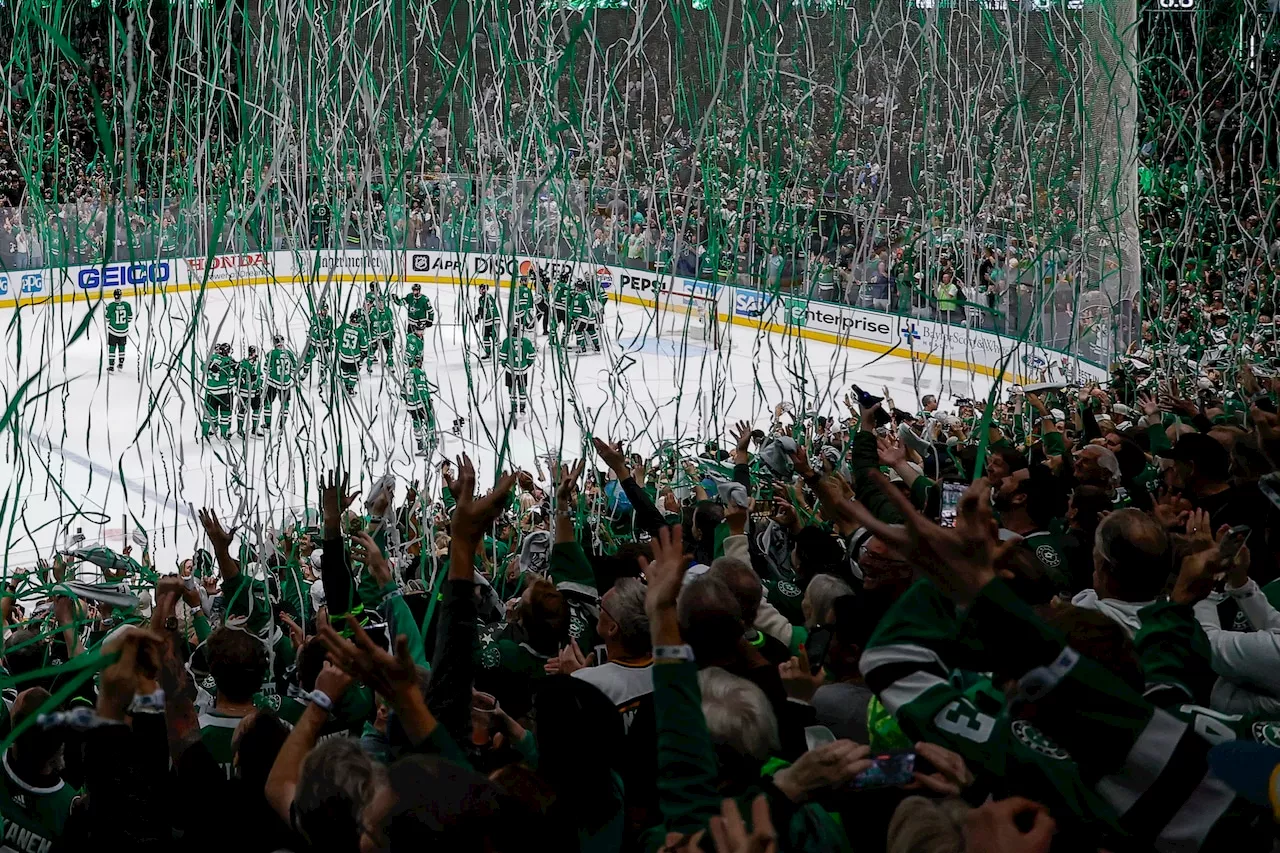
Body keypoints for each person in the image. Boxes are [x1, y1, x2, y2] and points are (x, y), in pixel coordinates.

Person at [401, 351, 436, 456]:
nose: (421, 363)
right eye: (419, 362)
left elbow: (403, 393)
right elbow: (422, 388)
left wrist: (407, 402)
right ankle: (431, 441)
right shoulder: (419, 372)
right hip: (421, 402)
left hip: (410, 404)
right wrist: (427, 399)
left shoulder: (406, 374)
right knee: (430, 418)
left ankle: (420, 442)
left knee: (416, 421)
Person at [202, 342, 236, 439]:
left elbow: (203, 367)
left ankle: (207, 434)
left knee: (211, 414)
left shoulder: (213, 358)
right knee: (223, 414)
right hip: (223, 392)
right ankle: (223, 434)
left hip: (212, 391)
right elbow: (204, 367)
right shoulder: (228, 360)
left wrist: (237, 369)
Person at [264, 335, 298, 431]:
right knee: (285, 404)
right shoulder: (289, 353)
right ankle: (282, 424)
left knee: (267, 402)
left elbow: (266, 369)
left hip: (273, 382)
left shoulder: (272, 353)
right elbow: (294, 368)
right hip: (286, 383)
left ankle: (267, 424)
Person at [498, 332, 535, 415]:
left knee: (511, 388)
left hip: (511, 369)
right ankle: (522, 407)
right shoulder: (526, 341)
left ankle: (514, 407)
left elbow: (502, 355)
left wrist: (504, 364)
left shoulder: (507, 341)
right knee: (522, 388)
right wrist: (528, 363)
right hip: (523, 369)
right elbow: (532, 354)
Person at [335, 309, 368, 395]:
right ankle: (350, 388)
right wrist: (365, 352)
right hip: (354, 357)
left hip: (343, 355)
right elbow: (364, 346)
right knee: (354, 373)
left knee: (345, 371)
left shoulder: (344, 326)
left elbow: (335, 334)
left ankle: (346, 385)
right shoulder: (360, 331)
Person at [300, 303, 334, 380]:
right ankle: (305, 373)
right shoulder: (315, 318)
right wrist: (322, 331)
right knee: (308, 358)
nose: (324, 311)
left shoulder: (329, 319)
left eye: (326, 310)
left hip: (323, 343)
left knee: (324, 360)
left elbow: (330, 332)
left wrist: (331, 343)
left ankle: (322, 375)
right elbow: (314, 329)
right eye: (323, 310)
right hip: (313, 342)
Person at [237, 346, 265, 437]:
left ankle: (255, 429)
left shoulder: (257, 363)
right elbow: (239, 376)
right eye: (253, 353)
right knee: (242, 411)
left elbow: (260, 374)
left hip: (255, 391)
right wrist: (247, 377)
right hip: (245, 391)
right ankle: (239, 430)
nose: (254, 355)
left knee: (257, 409)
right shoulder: (243, 363)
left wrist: (260, 386)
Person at [105, 287, 132, 373]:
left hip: (113, 331)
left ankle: (111, 366)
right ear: (121, 296)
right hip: (124, 331)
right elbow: (130, 318)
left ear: (114, 296)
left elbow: (107, 319)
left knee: (112, 348)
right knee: (122, 347)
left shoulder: (111, 306)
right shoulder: (127, 305)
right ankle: (120, 364)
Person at [476, 283, 500, 359]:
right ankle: (488, 353)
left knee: (495, 338)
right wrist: (478, 316)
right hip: (487, 321)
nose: (479, 290)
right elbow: (483, 311)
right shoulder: (481, 299)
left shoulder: (488, 297)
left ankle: (501, 354)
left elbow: (488, 310)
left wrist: (481, 313)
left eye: (481, 289)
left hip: (494, 320)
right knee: (485, 338)